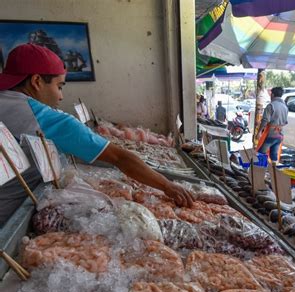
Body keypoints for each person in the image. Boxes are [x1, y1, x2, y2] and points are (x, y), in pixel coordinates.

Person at [0, 43, 193, 225]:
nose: (61, 96)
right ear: (36, 81)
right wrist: (168, 186)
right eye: (59, 86)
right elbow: (119, 157)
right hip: (9, 218)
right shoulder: (44, 117)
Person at [256, 87, 288, 162]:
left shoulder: (271, 105)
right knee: (274, 155)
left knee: (260, 154)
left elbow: (265, 120)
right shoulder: (285, 106)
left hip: (271, 134)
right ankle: (274, 171)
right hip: (280, 135)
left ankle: (259, 171)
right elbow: (285, 122)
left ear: (272, 94)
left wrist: (259, 131)